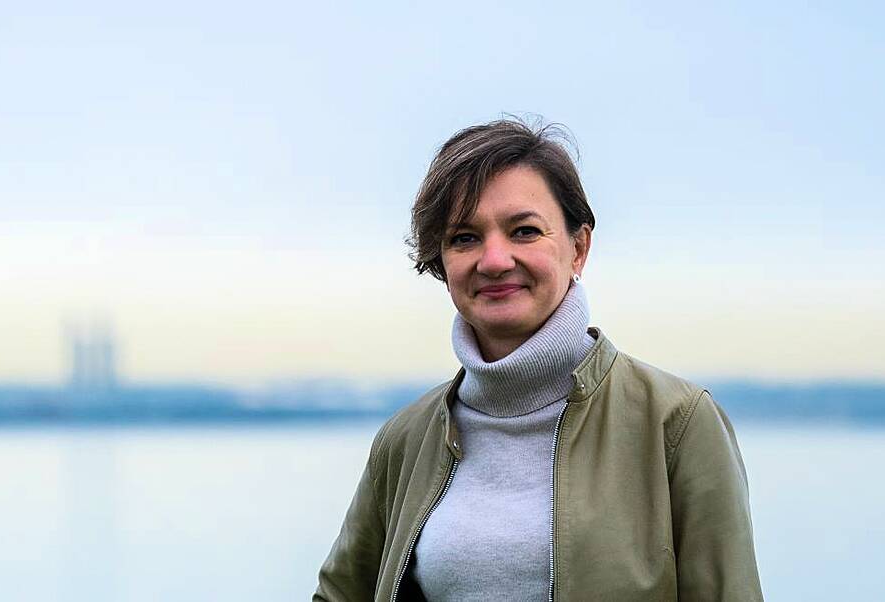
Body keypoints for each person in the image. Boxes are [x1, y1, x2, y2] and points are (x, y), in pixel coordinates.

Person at [314, 118, 763, 601]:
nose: (494, 259)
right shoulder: (404, 441)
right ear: (441, 263)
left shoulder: (676, 422)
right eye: (464, 237)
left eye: (524, 231)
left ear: (578, 247)